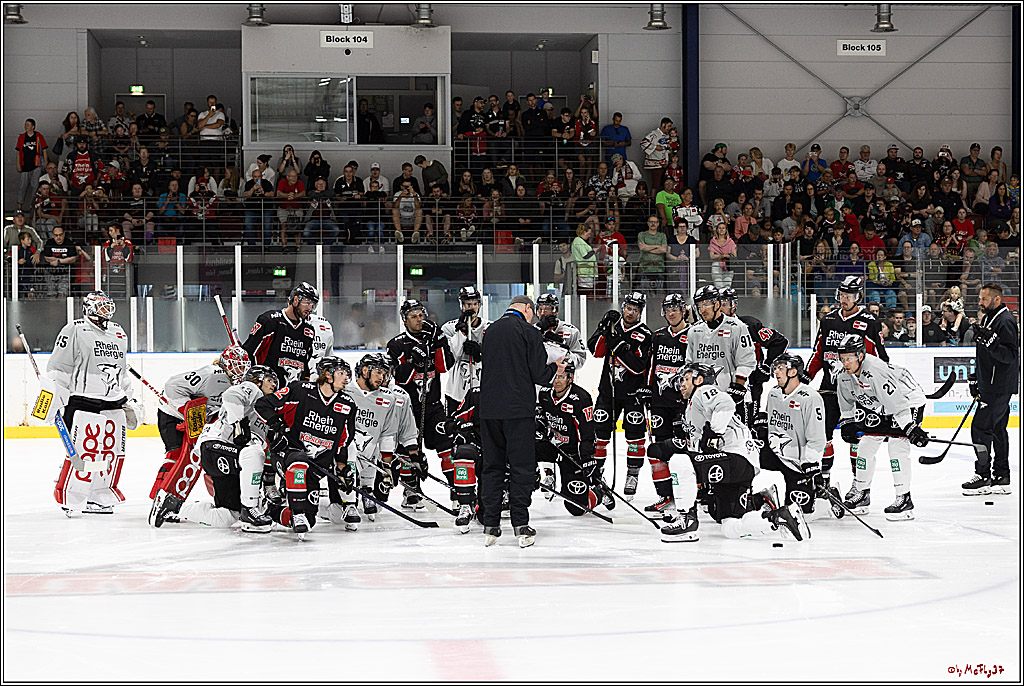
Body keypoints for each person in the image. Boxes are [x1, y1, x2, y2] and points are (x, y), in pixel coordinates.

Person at [656, 362, 809, 543]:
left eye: (686, 379)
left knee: (679, 461)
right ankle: (779, 517)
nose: (681, 384)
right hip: (740, 464)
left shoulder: (703, 391)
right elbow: (698, 449)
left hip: (736, 458)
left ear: (699, 380)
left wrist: (714, 433)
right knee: (729, 526)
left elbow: (726, 403)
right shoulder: (692, 407)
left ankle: (686, 520)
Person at [149, 364, 279, 531]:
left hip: (226, 454)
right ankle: (249, 510)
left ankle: (173, 505)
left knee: (228, 516)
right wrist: (238, 423)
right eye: (269, 380)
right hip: (216, 445)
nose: (274, 385)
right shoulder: (252, 389)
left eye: (275, 382)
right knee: (254, 454)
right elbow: (231, 395)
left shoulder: (266, 409)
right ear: (257, 380)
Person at [479, 295, 565, 547]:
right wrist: (556, 367)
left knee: (492, 467)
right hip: (518, 411)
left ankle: (490, 525)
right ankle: (521, 526)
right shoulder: (528, 331)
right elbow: (539, 374)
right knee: (521, 467)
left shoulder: (490, 330)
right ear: (527, 308)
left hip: (489, 410)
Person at [45, 291, 141, 515]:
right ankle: (73, 495)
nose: (106, 310)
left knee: (110, 451)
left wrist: (129, 397)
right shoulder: (75, 329)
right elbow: (59, 368)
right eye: (100, 306)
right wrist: (54, 398)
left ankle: (100, 493)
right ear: (88, 308)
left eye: (107, 306)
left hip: (112, 400)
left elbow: (122, 370)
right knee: (86, 450)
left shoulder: (118, 332)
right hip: (82, 399)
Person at [251, 356, 358, 539]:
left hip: (316, 467)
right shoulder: (300, 390)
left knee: (310, 520)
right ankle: (297, 512)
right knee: (299, 460)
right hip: (287, 455)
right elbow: (262, 405)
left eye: (347, 374)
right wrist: (277, 425)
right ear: (327, 375)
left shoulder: (347, 405)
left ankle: (273, 510)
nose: (346, 378)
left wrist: (342, 469)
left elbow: (342, 442)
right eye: (341, 373)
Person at [806, 275, 889, 484]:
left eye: (849, 295)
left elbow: (880, 358)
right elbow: (818, 353)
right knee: (822, 436)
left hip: (858, 390)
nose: (844, 299)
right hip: (830, 389)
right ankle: (823, 481)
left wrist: (880, 390)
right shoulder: (828, 320)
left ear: (858, 296)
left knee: (856, 438)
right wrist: (805, 377)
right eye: (842, 294)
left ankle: (858, 483)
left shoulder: (870, 323)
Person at [836, 334, 927, 521]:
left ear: (860, 356)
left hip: (907, 400)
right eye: (842, 358)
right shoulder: (844, 375)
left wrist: (910, 428)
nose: (845, 363)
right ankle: (862, 495)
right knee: (865, 447)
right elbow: (846, 401)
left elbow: (897, 404)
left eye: (849, 358)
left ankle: (904, 499)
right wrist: (847, 422)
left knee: (897, 448)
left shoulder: (876, 371)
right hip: (880, 403)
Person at [386, 299, 455, 509]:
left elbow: (444, 367)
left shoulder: (432, 339)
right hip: (407, 410)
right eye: (414, 316)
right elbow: (393, 378)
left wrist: (440, 340)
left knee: (446, 446)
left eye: (421, 315)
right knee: (409, 451)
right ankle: (411, 491)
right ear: (404, 320)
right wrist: (412, 363)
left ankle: (457, 489)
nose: (419, 320)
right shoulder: (396, 344)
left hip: (433, 405)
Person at [586, 292, 654, 501]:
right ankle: (596, 476)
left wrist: (620, 350)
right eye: (628, 308)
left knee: (635, 437)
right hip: (608, 393)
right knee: (599, 436)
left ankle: (632, 475)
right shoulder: (613, 327)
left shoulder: (645, 334)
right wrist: (602, 328)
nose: (631, 312)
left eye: (636, 310)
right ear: (623, 308)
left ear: (641, 313)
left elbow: (638, 367)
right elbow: (595, 350)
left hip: (633, 394)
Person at [754, 353, 838, 519]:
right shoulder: (774, 393)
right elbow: (770, 422)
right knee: (745, 461)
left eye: (781, 368)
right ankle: (763, 497)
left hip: (798, 462)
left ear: (793, 372)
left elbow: (817, 437)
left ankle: (826, 500)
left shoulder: (810, 398)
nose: (776, 372)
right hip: (775, 453)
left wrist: (811, 462)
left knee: (801, 513)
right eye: (775, 368)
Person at [962, 283, 1018, 495]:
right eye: (980, 298)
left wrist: (991, 342)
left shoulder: (1005, 321)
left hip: (999, 387)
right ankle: (1001, 476)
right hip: (991, 384)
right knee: (996, 429)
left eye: (984, 299)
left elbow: (1010, 356)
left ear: (996, 299)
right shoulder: (988, 319)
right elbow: (984, 354)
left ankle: (983, 476)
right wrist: (977, 378)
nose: (980, 302)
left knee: (980, 428)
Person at [645, 293, 691, 516]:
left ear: (684, 310)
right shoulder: (658, 336)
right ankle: (665, 496)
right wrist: (647, 388)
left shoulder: (693, 334)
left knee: (686, 449)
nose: (671, 313)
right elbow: (651, 365)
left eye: (675, 308)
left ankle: (692, 492)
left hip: (684, 404)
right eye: (667, 309)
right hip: (660, 403)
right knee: (658, 449)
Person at [536, 362, 600, 515]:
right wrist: (539, 426)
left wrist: (587, 457)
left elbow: (587, 431)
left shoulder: (581, 399)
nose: (557, 381)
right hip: (553, 446)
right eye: (555, 377)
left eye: (562, 377)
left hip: (573, 452)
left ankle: (598, 492)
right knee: (521, 451)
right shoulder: (544, 393)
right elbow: (541, 417)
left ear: (570, 378)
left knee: (576, 508)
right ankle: (544, 476)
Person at [685, 286, 756, 419]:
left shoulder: (737, 327)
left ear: (717, 303)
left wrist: (737, 387)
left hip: (732, 397)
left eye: (706, 304)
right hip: (702, 399)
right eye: (699, 306)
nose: (702, 310)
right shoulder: (694, 331)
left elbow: (746, 361)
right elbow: (690, 365)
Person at [718, 287, 788, 415]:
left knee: (749, 421)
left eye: (724, 304)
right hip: (722, 382)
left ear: (733, 306)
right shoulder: (711, 329)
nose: (720, 308)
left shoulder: (749, 325)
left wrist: (766, 367)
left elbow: (780, 342)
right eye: (718, 304)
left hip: (750, 383)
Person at [241, 281, 318, 385]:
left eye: (313, 305)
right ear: (295, 300)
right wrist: (256, 380)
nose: (310, 308)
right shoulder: (270, 321)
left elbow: (306, 363)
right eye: (307, 303)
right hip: (269, 389)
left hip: (294, 392)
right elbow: (249, 352)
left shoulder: (309, 331)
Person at [441, 286, 489, 414]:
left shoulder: (490, 328)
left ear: (479, 305)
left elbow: (498, 359)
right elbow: (451, 357)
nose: (472, 308)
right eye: (468, 304)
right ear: (461, 306)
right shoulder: (449, 328)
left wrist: (480, 353)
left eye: (475, 304)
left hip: (483, 391)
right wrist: (461, 333)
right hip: (456, 392)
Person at [535, 292, 587, 369]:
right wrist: (538, 333)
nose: (542, 313)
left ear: (556, 310)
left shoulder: (571, 331)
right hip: (541, 378)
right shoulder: (532, 330)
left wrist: (562, 349)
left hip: (563, 378)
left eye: (547, 309)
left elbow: (580, 361)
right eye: (540, 309)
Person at [15, 118, 47, 213]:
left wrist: (45, 162)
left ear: (33, 127)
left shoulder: (38, 136)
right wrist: (18, 164)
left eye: (28, 125)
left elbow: (44, 149)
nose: (26, 127)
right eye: (25, 125)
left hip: (36, 165)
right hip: (24, 166)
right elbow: (18, 152)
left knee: (35, 186)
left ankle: (33, 206)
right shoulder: (21, 137)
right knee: (22, 186)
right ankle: (19, 207)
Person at [640, 117, 673, 192]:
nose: (669, 128)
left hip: (663, 164)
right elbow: (643, 143)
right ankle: (654, 201)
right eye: (668, 126)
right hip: (655, 164)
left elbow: (666, 149)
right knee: (656, 185)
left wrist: (667, 161)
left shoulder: (667, 136)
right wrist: (655, 147)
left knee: (662, 185)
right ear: (663, 125)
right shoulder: (654, 134)